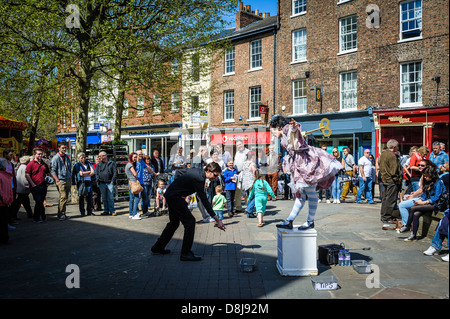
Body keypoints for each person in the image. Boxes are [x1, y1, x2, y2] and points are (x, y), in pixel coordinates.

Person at [270, 115, 342, 230]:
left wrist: (294, 127)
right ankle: (290, 220)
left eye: (272, 130)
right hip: (300, 164)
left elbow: (294, 132)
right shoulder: (284, 133)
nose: (272, 133)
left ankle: (309, 221)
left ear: (278, 127)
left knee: (309, 193)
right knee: (301, 196)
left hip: (306, 164)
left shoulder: (287, 129)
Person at [151, 162, 226, 261]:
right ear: (208, 171)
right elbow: (204, 199)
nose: (216, 178)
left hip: (172, 194)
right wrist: (217, 219)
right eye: (215, 175)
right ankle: (185, 253)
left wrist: (177, 186)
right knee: (190, 222)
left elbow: (178, 172)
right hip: (175, 197)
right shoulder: (199, 179)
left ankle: (157, 247)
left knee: (174, 223)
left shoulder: (196, 170)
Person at [402, 166, 446, 241]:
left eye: (426, 176)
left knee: (412, 208)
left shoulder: (438, 183)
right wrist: (420, 201)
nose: (425, 177)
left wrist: (424, 202)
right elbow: (424, 195)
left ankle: (407, 226)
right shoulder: (427, 182)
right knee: (416, 214)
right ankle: (413, 235)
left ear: (432, 175)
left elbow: (436, 197)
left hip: (437, 204)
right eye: (424, 176)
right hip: (428, 204)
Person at [397, 159, 436, 228]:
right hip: (423, 197)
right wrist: (414, 193)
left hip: (425, 199)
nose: (420, 167)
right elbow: (422, 189)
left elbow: (422, 190)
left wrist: (412, 196)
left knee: (402, 205)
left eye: (422, 165)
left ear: (428, 166)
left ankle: (406, 225)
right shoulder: (423, 175)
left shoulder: (427, 176)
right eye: (419, 165)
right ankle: (408, 224)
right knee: (406, 200)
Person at [378, 139, 402, 224]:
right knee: (390, 200)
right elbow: (393, 171)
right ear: (394, 147)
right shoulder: (392, 156)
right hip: (391, 181)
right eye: (397, 147)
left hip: (384, 179)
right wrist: (397, 180)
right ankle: (387, 217)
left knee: (385, 199)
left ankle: (384, 216)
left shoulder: (383, 154)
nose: (398, 148)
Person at [25, 148, 52, 223]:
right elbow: (27, 174)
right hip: (35, 186)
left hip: (43, 185)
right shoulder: (31, 164)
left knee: (41, 201)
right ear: (34, 155)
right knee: (38, 201)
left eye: (41, 154)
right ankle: (36, 218)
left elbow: (48, 172)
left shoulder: (44, 163)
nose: (40, 155)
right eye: (38, 154)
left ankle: (42, 216)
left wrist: (48, 181)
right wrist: (32, 184)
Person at [51, 141, 72, 221]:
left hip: (67, 179)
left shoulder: (67, 157)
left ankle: (63, 213)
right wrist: (57, 180)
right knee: (63, 197)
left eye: (65, 148)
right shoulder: (56, 158)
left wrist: (70, 176)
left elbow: (69, 168)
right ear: (59, 148)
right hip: (61, 180)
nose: (64, 149)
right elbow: (53, 170)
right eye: (63, 148)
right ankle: (61, 214)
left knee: (65, 197)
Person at [95, 151, 117, 216]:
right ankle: (106, 210)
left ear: (104, 156)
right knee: (104, 198)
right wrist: (98, 181)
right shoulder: (99, 164)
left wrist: (112, 181)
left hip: (110, 182)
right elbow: (96, 173)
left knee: (110, 197)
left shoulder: (111, 163)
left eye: (100, 156)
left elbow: (115, 173)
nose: (99, 157)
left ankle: (112, 211)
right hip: (102, 183)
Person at [136, 150, 155, 216]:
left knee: (145, 198)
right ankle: (135, 212)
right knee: (136, 198)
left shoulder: (142, 162)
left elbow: (148, 169)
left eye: (141, 154)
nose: (141, 156)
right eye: (139, 155)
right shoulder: (135, 162)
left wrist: (154, 173)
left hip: (142, 183)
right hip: (136, 183)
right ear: (136, 155)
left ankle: (145, 211)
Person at [0, 158, 14, 243]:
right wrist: (9, 199)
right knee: (4, 222)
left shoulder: (3, 176)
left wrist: (4, 199)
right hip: (6, 202)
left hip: (2, 202)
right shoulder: (7, 176)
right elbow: (10, 190)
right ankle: (5, 237)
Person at [233, 140, 249, 212]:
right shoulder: (237, 153)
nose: (239, 146)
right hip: (238, 173)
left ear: (243, 144)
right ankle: (238, 207)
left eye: (240, 144)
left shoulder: (248, 152)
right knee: (238, 191)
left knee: (246, 191)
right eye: (237, 145)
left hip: (246, 173)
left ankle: (248, 208)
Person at [3, 148, 18, 224]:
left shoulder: (11, 164)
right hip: (4, 187)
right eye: (10, 155)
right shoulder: (2, 163)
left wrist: (15, 185)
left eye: (12, 155)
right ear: (5, 155)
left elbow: (14, 176)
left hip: (11, 187)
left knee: (13, 203)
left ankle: (10, 219)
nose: (12, 156)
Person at [241, 151, 257, 218]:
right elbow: (255, 174)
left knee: (249, 198)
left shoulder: (244, 163)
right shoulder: (252, 164)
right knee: (256, 197)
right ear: (252, 156)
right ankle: (248, 209)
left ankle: (249, 214)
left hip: (245, 183)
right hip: (251, 183)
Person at [126, 152, 141, 220]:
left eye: (136, 157)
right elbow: (135, 174)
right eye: (134, 157)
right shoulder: (130, 164)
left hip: (131, 182)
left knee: (131, 199)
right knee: (137, 198)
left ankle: (131, 214)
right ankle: (134, 214)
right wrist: (136, 173)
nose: (135, 158)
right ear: (131, 157)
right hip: (133, 182)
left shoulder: (129, 164)